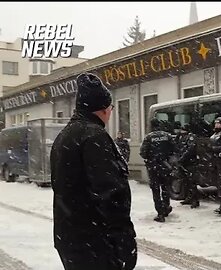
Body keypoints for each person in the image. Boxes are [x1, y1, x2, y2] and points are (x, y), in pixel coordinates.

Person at [50, 73, 137, 270]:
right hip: (95, 242)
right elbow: (110, 194)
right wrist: (123, 241)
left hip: (70, 237)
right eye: (111, 108)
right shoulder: (95, 137)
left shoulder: (64, 136)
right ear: (104, 109)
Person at [140, 118, 176, 223]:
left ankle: (160, 213)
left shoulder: (149, 137)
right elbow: (174, 149)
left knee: (156, 190)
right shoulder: (167, 136)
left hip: (153, 167)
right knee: (166, 188)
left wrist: (151, 157)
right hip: (165, 166)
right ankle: (166, 207)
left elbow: (143, 152)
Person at [175, 124, 200, 208]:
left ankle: (195, 200)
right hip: (183, 163)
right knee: (185, 182)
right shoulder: (181, 137)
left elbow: (190, 149)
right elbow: (176, 146)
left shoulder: (191, 137)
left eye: (183, 130)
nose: (181, 131)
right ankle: (188, 198)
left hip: (190, 162)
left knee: (192, 182)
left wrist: (182, 158)